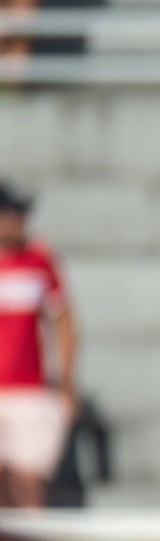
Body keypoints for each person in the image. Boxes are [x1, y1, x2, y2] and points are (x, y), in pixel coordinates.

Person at [0, 182, 76, 508]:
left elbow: (64, 322)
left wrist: (66, 380)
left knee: (27, 481)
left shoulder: (38, 261)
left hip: (28, 390)